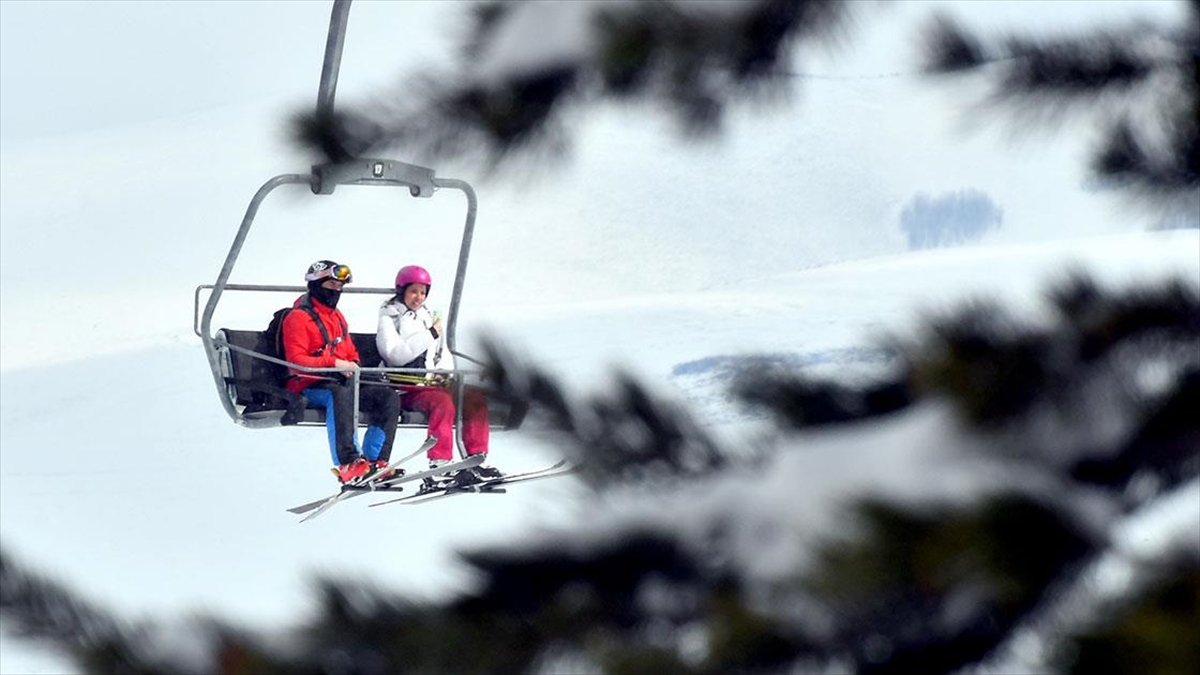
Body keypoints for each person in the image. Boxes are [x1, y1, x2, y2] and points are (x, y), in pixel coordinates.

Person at [282, 260, 403, 484]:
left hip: (340, 381)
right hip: (307, 385)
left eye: (340, 287)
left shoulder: (337, 317)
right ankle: (348, 462)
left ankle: (376, 461)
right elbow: (296, 361)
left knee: (387, 397)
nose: (336, 292)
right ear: (317, 285)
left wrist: (351, 365)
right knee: (339, 393)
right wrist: (335, 364)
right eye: (331, 285)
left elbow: (350, 351)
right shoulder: (298, 318)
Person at [376, 264, 499, 481]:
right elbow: (395, 355)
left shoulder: (427, 317)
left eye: (423, 292)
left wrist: (445, 375)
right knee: (442, 402)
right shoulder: (389, 318)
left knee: (474, 397)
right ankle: (440, 461)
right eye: (413, 291)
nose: (418, 298)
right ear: (401, 290)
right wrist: (429, 334)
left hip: (429, 383)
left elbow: (441, 354)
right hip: (403, 387)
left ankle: (476, 457)